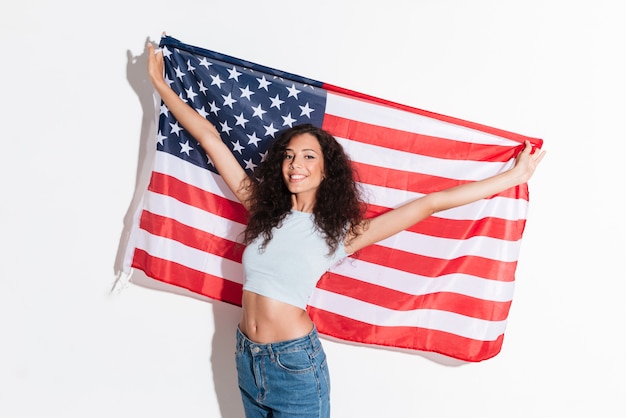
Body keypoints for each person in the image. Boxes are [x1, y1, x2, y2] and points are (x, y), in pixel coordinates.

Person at [146, 42, 545, 418]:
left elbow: (429, 204)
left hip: (294, 367)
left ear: (325, 170)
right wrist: (162, 85)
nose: (295, 164)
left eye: (307, 156)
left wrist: (512, 177)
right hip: (247, 357)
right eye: (288, 156)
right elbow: (210, 139)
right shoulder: (263, 209)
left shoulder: (339, 234)